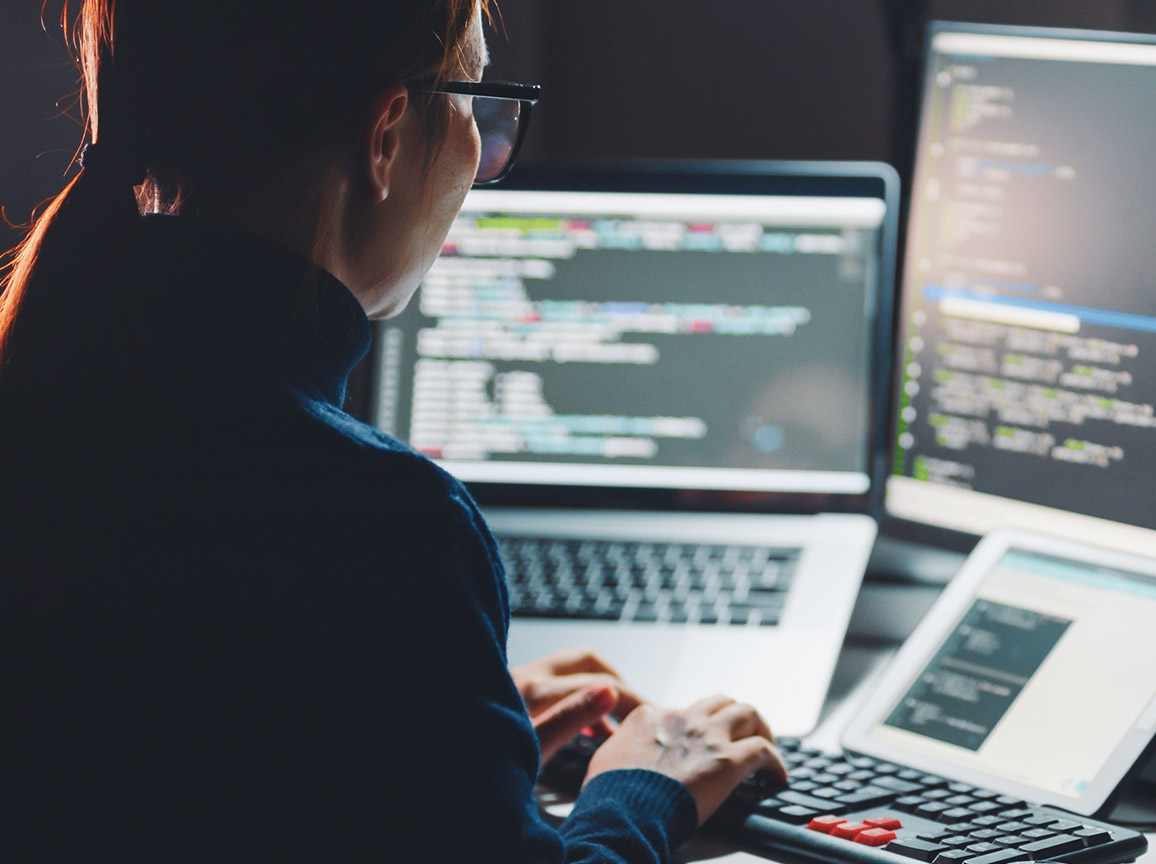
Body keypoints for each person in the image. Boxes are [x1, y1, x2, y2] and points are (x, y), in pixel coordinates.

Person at [0, 1, 785, 861]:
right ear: (385, 135)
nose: (482, 155)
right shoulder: (385, 524)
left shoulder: (55, 406)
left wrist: (435, 726)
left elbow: (169, 760)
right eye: (474, 105)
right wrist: (644, 784)